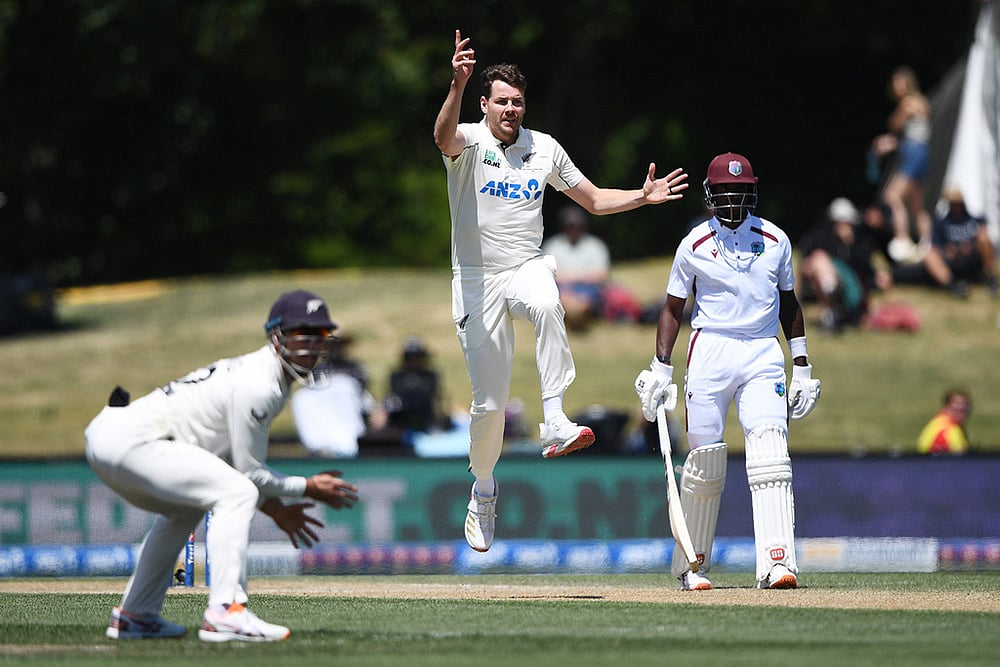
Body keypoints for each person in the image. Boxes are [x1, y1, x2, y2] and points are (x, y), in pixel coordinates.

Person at [433, 29, 689, 553]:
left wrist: (642, 197)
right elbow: (441, 138)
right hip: (477, 279)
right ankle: (484, 488)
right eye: (501, 101)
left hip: (525, 265)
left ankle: (554, 418)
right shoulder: (469, 141)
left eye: (517, 102)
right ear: (484, 104)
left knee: (549, 301)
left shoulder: (543, 148)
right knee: (489, 404)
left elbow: (592, 200)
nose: (510, 109)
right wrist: (456, 83)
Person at [85, 289, 359, 642]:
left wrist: (276, 509)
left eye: (319, 335)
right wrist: (307, 487)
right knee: (238, 492)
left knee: (185, 510)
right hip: (132, 440)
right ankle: (226, 611)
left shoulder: (265, 378)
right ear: (276, 336)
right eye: (301, 334)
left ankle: (136, 616)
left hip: (112, 438)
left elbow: (229, 463)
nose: (310, 345)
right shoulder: (260, 384)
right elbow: (249, 474)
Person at [634, 152, 821, 591]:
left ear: (752, 193)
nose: (732, 199)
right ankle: (692, 564)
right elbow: (672, 308)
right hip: (710, 350)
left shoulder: (775, 239)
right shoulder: (694, 243)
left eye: (740, 191)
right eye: (724, 192)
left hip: (761, 350)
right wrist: (660, 367)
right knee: (705, 460)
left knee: (771, 451)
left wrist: (802, 366)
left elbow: (789, 303)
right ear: (710, 195)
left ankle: (777, 563)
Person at [798, 197, 892, 332]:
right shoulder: (820, 239)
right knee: (819, 259)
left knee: (819, 259)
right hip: (823, 283)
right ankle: (830, 307)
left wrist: (848, 244)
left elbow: (864, 271)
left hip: (851, 291)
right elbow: (806, 263)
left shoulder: (859, 243)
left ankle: (832, 308)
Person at [870, 66, 933, 263]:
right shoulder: (921, 102)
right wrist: (890, 143)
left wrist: (889, 137)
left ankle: (902, 239)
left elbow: (894, 124)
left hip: (914, 154)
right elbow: (913, 134)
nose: (896, 87)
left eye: (899, 83)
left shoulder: (908, 103)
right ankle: (927, 244)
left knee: (892, 196)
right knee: (916, 204)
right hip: (920, 152)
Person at [290, 333, 383, 458]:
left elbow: (364, 398)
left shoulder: (356, 369)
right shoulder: (317, 371)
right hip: (326, 433)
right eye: (333, 345)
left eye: (340, 345)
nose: (337, 349)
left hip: (352, 432)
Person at [911, 187, 998, 299]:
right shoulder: (941, 223)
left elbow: (985, 238)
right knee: (929, 254)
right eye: (953, 203)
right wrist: (949, 250)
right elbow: (936, 246)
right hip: (953, 262)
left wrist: (971, 246)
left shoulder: (974, 220)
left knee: (983, 237)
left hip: (973, 259)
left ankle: (990, 277)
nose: (956, 206)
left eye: (958, 203)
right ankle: (953, 285)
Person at [541, 205, 611, 330]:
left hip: (588, 288)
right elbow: (545, 274)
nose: (573, 229)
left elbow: (602, 274)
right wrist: (579, 277)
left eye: (577, 226)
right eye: (570, 226)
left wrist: (570, 277)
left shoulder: (595, 246)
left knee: (590, 294)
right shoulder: (553, 246)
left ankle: (577, 315)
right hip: (561, 288)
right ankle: (573, 315)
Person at [384, 336, 452, 436]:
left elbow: (437, 400)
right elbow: (391, 399)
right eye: (411, 357)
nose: (414, 361)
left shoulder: (431, 376)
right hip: (401, 420)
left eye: (418, 357)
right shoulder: (397, 377)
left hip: (426, 419)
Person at [917, 389, 971, 455]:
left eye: (964, 410)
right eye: (957, 409)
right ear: (946, 407)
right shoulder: (951, 430)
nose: (962, 414)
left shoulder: (937, 421)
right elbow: (963, 457)